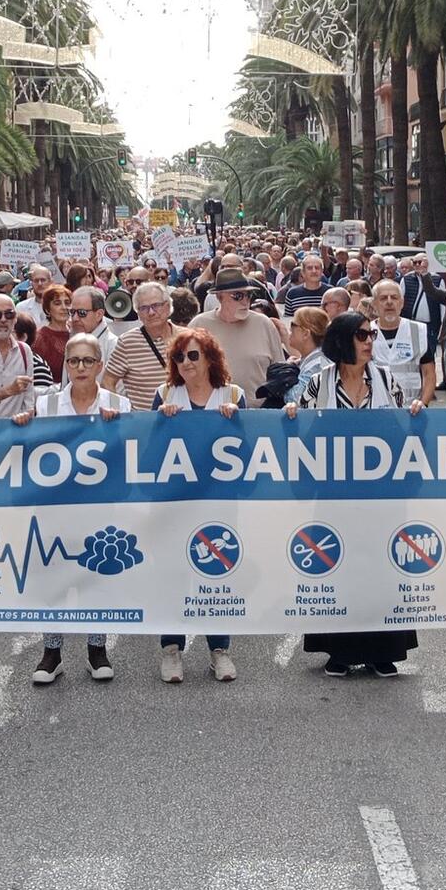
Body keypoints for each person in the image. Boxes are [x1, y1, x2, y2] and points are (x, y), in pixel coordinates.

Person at [288, 313, 419, 677]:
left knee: (382, 567)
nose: (369, 341)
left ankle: (383, 650)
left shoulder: (386, 379)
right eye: (362, 334)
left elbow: (401, 430)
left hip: (380, 494)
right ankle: (339, 651)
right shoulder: (318, 382)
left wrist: (415, 414)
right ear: (342, 340)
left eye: (372, 334)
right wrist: (291, 415)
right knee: (337, 565)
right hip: (333, 494)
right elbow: (305, 432)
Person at [13, 334, 126, 685]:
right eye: (73, 361)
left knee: (96, 577)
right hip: (54, 506)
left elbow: (133, 454)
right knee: (53, 577)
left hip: (100, 507)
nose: (80, 367)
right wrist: (18, 424)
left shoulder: (119, 405)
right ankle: (52, 651)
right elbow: (25, 446)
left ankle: (97, 648)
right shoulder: (46, 405)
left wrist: (118, 428)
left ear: (99, 365)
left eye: (87, 361)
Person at [149, 327, 241, 683]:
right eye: (179, 357)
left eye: (193, 356)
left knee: (216, 573)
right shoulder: (165, 395)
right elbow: (148, 451)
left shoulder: (232, 394)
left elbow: (250, 449)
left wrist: (238, 422)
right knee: (174, 573)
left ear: (209, 358)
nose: (185, 363)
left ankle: (219, 649)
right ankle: (172, 649)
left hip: (219, 502)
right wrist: (161, 422)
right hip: (175, 501)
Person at [189, 271, 288, 400]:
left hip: (257, 412)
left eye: (248, 295)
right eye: (237, 296)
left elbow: (279, 372)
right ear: (220, 297)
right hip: (213, 411)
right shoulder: (199, 325)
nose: (245, 301)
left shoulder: (264, 324)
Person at [100, 280, 178, 408]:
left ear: (168, 306)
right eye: (144, 308)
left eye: (156, 305)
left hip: (183, 419)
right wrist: (115, 411)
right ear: (138, 313)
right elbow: (108, 382)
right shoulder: (127, 342)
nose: (151, 312)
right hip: (144, 423)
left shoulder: (187, 337)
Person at [365, 278, 437, 407]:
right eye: (383, 298)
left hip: (411, 408)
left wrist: (423, 403)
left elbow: (429, 373)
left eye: (394, 297)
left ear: (402, 302)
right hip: (375, 408)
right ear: (374, 304)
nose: (389, 302)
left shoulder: (418, 330)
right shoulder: (364, 332)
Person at [30, 284, 71, 380]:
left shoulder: (78, 333)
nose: (64, 307)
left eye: (67, 302)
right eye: (57, 303)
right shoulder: (39, 339)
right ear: (48, 310)